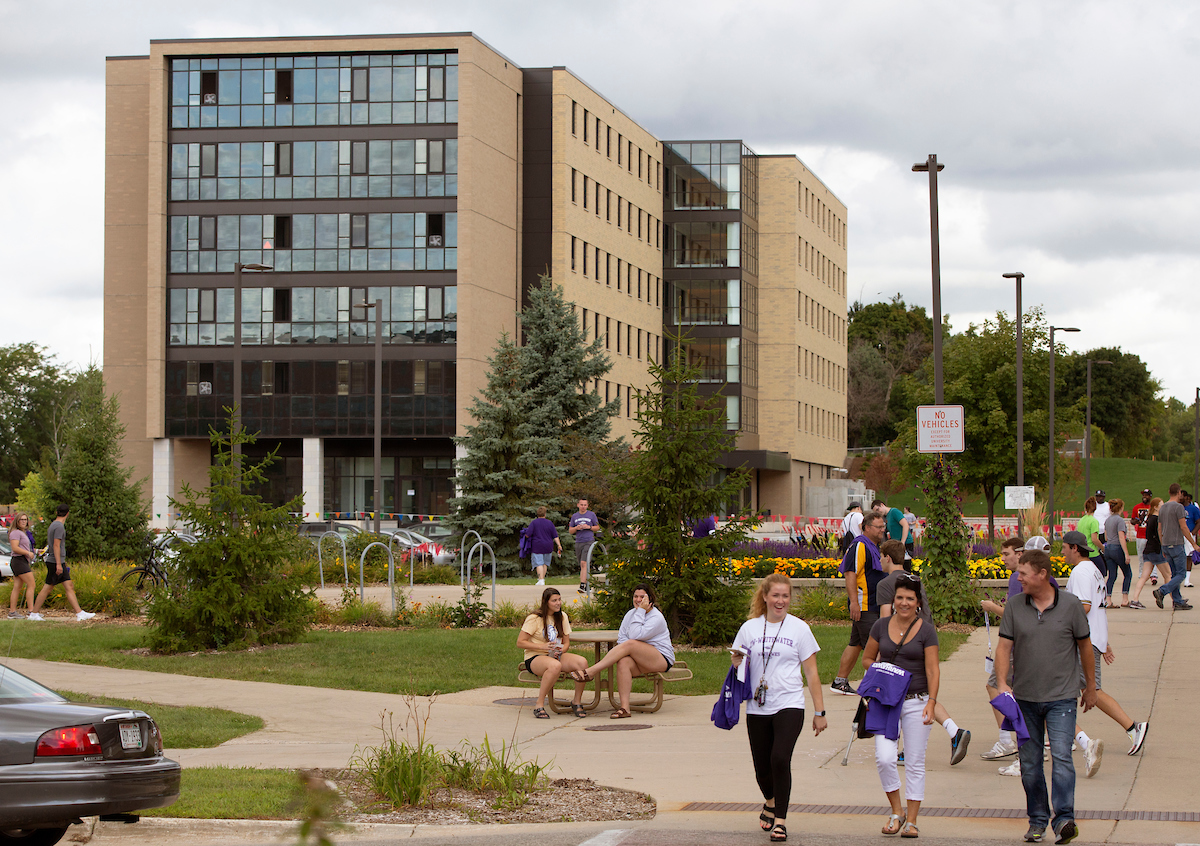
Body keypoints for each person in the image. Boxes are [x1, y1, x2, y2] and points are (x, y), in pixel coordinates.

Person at [995, 549, 1097, 845]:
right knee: (1029, 763)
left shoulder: (1071, 605)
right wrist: (1002, 682)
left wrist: (1089, 686)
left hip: (1062, 697)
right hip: (1024, 699)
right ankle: (1038, 820)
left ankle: (1064, 819)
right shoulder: (1015, 606)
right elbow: (1004, 647)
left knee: (1063, 757)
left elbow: (1085, 647)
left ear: (1042, 574)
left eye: (1024, 574)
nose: (1019, 578)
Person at [731, 573, 827, 843]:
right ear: (765, 596)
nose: (780, 601)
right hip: (758, 707)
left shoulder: (799, 629)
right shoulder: (749, 628)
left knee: (779, 758)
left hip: (789, 704)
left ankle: (780, 821)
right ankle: (770, 801)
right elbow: (738, 664)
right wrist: (737, 662)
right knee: (762, 768)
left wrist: (820, 712)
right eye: (775, 595)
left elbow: (812, 673)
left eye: (785, 596)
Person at [877, 540, 971, 766]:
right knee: (922, 697)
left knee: (904, 698)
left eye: (881, 556)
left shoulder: (885, 585)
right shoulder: (914, 580)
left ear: (888, 558)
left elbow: (884, 621)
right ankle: (952, 731)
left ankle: (908, 747)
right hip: (923, 641)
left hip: (901, 645)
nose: (879, 560)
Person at [864, 572, 939, 838]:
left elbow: (933, 671)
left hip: (916, 701)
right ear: (893, 599)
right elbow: (867, 659)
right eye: (899, 598)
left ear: (918, 602)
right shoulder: (880, 626)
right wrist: (883, 673)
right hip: (886, 702)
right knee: (885, 758)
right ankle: (897, 811)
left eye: (909, 598)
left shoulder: (927, 631)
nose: (904, 603)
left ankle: (913, 819)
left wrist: (931, 701)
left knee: (915, 762)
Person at [1062, 531, 1149, 759]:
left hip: (1086, 641)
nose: (1061, 552)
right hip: (1094, 638)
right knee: (1073, 689)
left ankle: (1133, 727)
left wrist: (1059, 623)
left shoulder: (1080, 571)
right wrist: (1104, 641)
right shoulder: (1093, 569)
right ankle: (1065, 734)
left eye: (1063, 547)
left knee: (1092, 691)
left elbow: (1085, 607)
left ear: (1074, 548)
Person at [981, 537, 1063, 776]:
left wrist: (992, 607)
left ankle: (1020, 746)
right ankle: (1033, 743)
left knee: (1012, 696)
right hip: (1036, 649)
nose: (1004, 558)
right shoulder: (1049, 582)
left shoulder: (1020, 580)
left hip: (1021, 648)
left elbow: (1015, 617)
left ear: (1021, 553)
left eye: (1007, 554)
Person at [576, 583, 674, 719]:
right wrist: (638, 612)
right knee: (623, 662)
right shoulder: (630, 614)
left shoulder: (656, 617)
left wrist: (640, 611)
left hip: (661, 659)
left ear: (650, 599)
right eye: (635, 596)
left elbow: (633, 636)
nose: (638, 600)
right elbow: (622, 638)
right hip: (638, 659)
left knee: (631, 644)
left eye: (642, 597)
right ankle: (625, 708)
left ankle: (591, 671)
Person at [831, 512, 887, 696]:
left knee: (855, 643)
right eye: (878, 527)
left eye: (883, 526)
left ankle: (840, 681)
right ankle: (877, 687)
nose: (882, 530)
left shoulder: (872, 546)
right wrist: (854, 602)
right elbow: (850, 573)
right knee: (875, 647)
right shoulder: (859, 546)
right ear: (867, 527)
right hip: (864, 606)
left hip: (872, 604)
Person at [516, 588, 589, 719]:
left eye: (559, 600)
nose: (558, 603)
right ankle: (539, 705)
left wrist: (561, 650)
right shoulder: (534, 618)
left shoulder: (562, 616)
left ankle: (576, 701)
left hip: (555, 655)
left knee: (582, 662)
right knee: (554, 666)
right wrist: (542, 646)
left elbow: (566, 642)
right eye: (554, 600)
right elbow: (520, 642)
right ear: (546, 602)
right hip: (535, 657)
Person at [28, 504, 95, 622]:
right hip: (55, 562)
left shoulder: (54, 525)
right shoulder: (59, 526)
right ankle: (34, 614)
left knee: (69, 586)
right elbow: (56, 545)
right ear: (68, 513)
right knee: (47, 587)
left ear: (56, 512)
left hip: (57, 561)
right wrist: (59, 564)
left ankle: (80, 613)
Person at [1152, 484, 1196, 611]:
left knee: (1175, 574)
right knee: (1181, 574)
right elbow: (1183, 527)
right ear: (1179, 493)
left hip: (1166, 544)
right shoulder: (1178, 507)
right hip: (1176, 544)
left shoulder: (1163, 507)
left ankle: (1177, 601)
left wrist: (1162, 544)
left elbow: (1159, 528)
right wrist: (1193, 543)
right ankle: (1162, 591)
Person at [1129, 498, 1165, 608]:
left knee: (1144, 577)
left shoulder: (1150, 519)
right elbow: (1159, 535)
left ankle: (1135, 599)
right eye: (1161, 505)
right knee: (1168, 575)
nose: (1163, 507)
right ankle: (1175, 599)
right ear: (1155, 507)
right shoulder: (1157, 519)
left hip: (1148, 550)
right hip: (1156, 550)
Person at [7, 512, 39, 618]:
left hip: (21, 560)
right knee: (31, 584)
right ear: (17, 521)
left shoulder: (23, 533)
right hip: (18, 560)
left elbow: (26, 548)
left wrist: (37, 551)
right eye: (21, 519)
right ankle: (31, 612)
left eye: (25, 519)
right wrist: (28, 553)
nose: (24, 521)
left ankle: (12, 612)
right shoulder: (15, 532)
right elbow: (15, 548)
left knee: (17, 587)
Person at [1101, 498, 1132, 608]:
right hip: (1117, 548)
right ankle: (1125, 599)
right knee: (1128, 573)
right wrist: (1126, 554)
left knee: (1112, 575)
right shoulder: (1120, 521)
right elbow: (1121, 537)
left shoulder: (1108, 520)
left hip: (1108, 548)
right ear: (1121, 508)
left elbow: (1105, 536)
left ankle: (1108, 599)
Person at [568, 499, 600, 594]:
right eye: (581, 504)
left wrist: (589, 527)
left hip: (588, 541)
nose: (583, 506)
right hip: (579, 541)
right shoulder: (575, 516)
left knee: (584, 563)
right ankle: (587, 585)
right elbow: (570, 531)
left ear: (587, 505)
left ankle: (583, 584)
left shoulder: (591, 515)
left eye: (585, 505)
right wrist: (576, 528)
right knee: (581, 564)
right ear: (578, 505)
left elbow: (597, 527)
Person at [525, 507, 561, 586]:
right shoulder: (549, 523)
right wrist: (559, 545)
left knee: (538, 563)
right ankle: (542, 578)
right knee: (545, 563)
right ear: (545, 513)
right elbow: (555, 535)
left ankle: (541, 579)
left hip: (537, 545)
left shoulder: (534, 523)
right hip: (548, 545)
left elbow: (528, 534)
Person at [1076, 497, 1106, 574]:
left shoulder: (1081, 520)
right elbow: (1094, 539)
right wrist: (1102, 548)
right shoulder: (1094, 521)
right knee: (1102, 572)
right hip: (1092, 552)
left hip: (1082, 551)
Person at [1129, 489, 1152, 567]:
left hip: (1151, 535)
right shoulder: (1137, 507)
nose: (1144, 497)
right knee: (1141, 556)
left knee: (1153, 556)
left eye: (1146, 495)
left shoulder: (1153, 507)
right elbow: (1132, 521)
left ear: (1150, 496)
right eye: (1143, 495)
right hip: (1140, 535)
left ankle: (1153, 575)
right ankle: (1141, 574)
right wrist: (1135, 521)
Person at [1183, 490, 1200, 588]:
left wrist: (1192, 533)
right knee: (1178, 556)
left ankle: (1187, 580)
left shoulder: (1193, 509)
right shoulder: (1177, 507)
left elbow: (1198, 522)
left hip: (1189, 534)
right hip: (1178, 535)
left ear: (1186, 497)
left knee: (1188, 557)